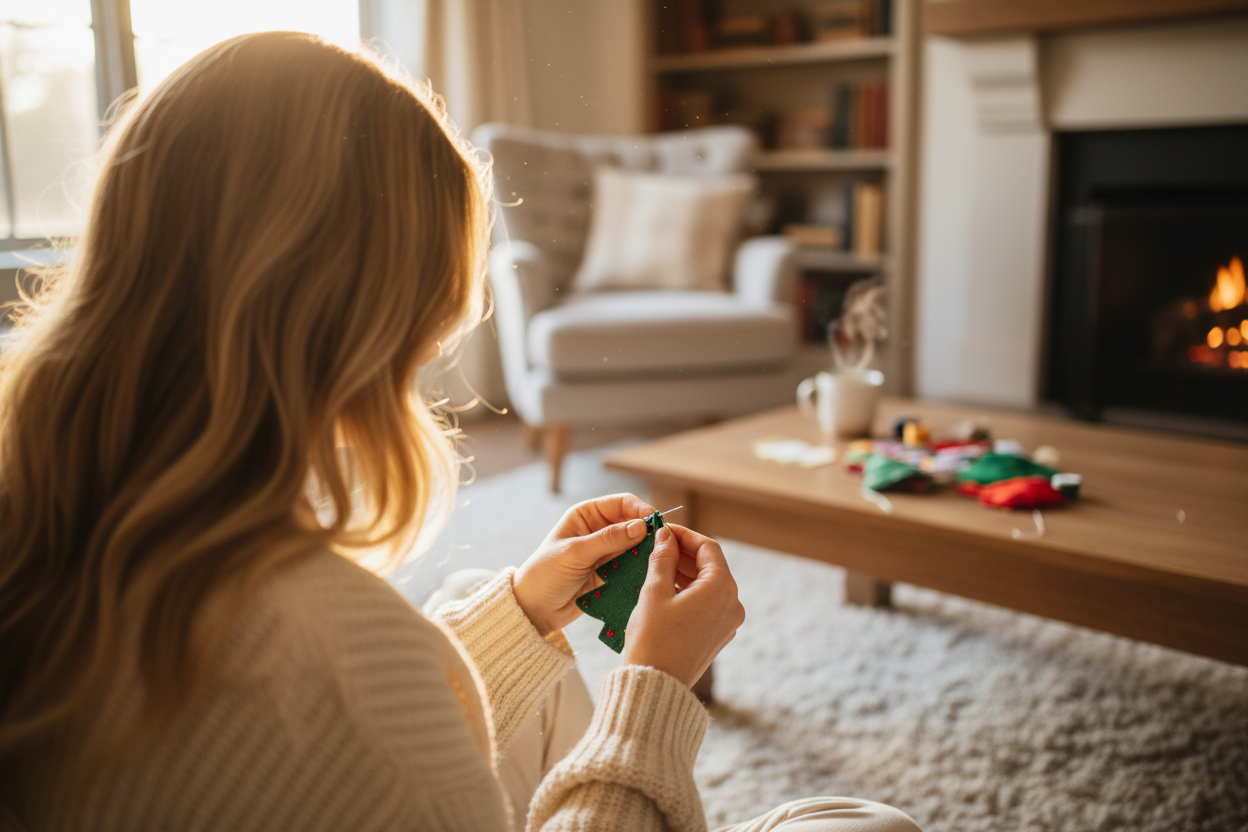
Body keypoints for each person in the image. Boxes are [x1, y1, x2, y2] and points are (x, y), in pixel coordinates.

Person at [0, 32, 920, 832]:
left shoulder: (48, 505)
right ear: (363, 331)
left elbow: (333, 753)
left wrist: (521, 612)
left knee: (501, 612)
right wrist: (654, 690)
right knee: (868, 825)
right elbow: (361, 712)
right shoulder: (334, 650)